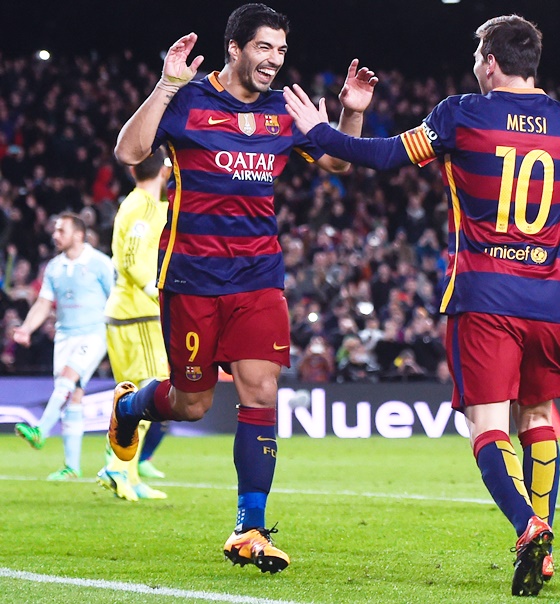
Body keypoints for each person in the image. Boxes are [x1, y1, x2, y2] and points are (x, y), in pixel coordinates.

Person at [284, 14, 560, 596]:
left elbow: (383, 157)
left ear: (490, 61)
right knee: (537, 419)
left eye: (478, 55)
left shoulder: (462, 114)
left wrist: (318, 130)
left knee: (487, 424)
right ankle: (545, 538)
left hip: (484, 294)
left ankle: (527, 526)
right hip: (551, 301)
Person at [108, 2, 377, 574]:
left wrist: (350, 116)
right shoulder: (188, 101)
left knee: (260, 392)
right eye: (263, 48)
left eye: (280, 50)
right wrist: (164, 85)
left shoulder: (286, 109)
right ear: (235, 49)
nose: (274, 61)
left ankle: (248, 527)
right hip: (192, 279)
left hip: (258, 278)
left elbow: (336, 163)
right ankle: (131, 405)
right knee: (192, 402)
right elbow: (128, 153)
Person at [96, 148, 172, 502]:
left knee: (131, 396)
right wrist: (151, 290)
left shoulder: (145, 204)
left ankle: (127, 473)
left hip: (127, 312)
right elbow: (129, 256)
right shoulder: (142, 205)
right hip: (137, 312)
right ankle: (117, 467)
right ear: (164, 171)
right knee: (149, 394)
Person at [14, 213, 114, 480]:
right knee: (73, 396)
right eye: (55, 230)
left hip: (93, 334)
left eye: (61, 231)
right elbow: (44, 303)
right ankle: (72, 467)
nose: (55, 235)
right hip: (65, 336)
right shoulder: (54, 268)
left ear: (78, 234)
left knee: (69, 378)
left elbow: (116, 297)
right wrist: (26, 328)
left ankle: (41, 430)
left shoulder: (99, 263)